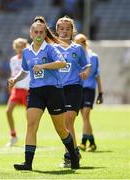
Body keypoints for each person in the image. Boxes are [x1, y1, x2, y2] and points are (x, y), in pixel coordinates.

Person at [8, 16, 80, 170]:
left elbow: (62, 63)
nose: (39, 34)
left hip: (53, 91)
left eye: (42, 32)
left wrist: (43, 66)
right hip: (36, 92)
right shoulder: (27, 52)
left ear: (44, 33)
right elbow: (25, 70)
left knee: (60, 129)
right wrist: (15, 79)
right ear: (31, 33)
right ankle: (28, 163)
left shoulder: (51, 48)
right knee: (31, 124)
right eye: (36, 32)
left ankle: (73, 155)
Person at [55, 16, 91, 167]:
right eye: (62, 29)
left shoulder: (77, 48)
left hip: (74, 87)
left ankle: (69, 156)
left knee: (69, 120)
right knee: (63, 125)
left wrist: (86, 72)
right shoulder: (51, 47)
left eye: (68, 29)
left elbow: (87, 65)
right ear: (57, 30)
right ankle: (73, 151)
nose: (64, 31)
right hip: (57, 88)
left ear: (72, 31)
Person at [74, 33, 103, 152]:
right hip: (78, 88)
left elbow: (97, 75)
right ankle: (92, 142)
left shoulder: (93, 57)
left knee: (85, 115)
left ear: (84, 43)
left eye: (79, 43)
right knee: (85, 117)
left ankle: (83, 142)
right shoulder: (75, 56)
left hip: (89, 89)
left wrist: (101, 92)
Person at [5, 38, 30, 147]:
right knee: (8, 111)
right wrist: (11, 81)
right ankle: (13, 135)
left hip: (28, 90)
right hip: (17, 90)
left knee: (29, 116)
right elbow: (14, 74)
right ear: (15, 47)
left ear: (26, 46)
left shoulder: (29, 58)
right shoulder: (13, 60)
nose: (20, 49)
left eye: (22, 46)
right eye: (18, 46)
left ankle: (29, 138)